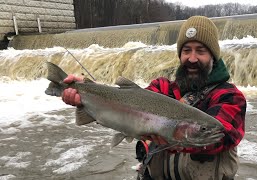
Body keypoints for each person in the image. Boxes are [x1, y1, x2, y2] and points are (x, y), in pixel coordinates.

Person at [62, 16, 246, 180]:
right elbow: (125, 104)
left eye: (201, 51)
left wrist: (174, 136)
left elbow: (224, 136)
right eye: (186, 50)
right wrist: (86, 89)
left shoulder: (229, 96)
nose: (192, 58)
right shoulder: (162, 88)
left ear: (213, 56)